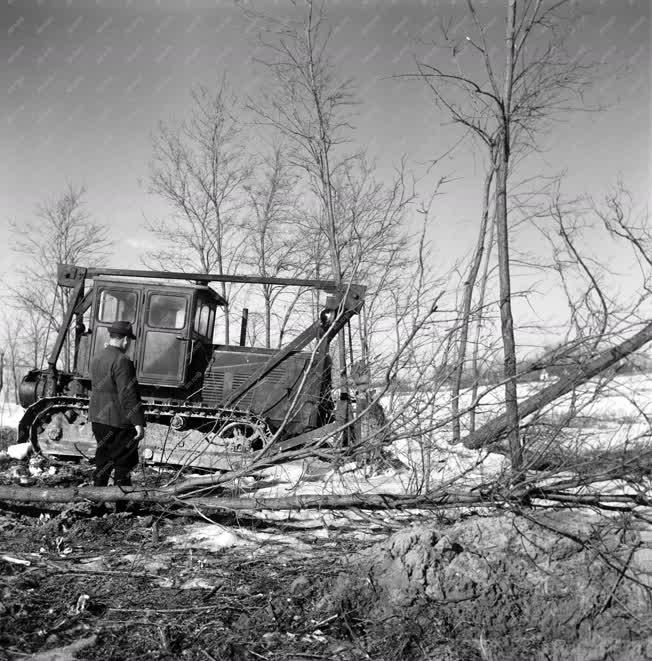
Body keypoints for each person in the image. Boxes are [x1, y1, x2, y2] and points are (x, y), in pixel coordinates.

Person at [89, 320, 145, 506]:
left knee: (103, 461)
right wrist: (138, 422)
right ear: (126, 340)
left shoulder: (98, 357)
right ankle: (121, 507)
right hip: (118, 421)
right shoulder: (122, 360)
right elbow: (128, 393)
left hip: (98, 419)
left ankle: (97, 504)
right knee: (124, 462)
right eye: (129, 341)